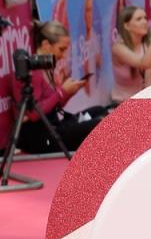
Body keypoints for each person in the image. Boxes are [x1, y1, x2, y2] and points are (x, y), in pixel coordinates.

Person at [12, 20, 107, 153]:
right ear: (45, 45)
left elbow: (53, 106)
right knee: (99, 124)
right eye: (61, 49)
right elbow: (33, 114)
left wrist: (69, 92)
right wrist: (62, 92)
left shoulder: (46, 68)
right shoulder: (33, 72)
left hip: (53, 126)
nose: (63, 55)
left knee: (100, 110)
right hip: (39, 137)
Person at [111, 4, 151, 101]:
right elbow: (143, 64)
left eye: (145, 18)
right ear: (127, 26)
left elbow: (150, 81)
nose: (145, 22)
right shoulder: (118, 48)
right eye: (139, 19)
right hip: (122, 101)